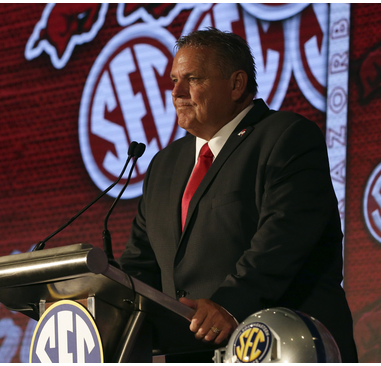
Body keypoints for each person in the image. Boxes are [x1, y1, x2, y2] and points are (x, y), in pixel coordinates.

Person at [119, 27, 358, 362]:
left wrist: (229, 304)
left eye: (193, 79)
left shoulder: (286, 137)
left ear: (236, 84)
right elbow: (141, 262)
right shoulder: (164, 164)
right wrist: (103, 298)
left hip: (283, 346)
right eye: (174, 79)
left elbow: (284, 237)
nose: (176, 91)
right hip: (189, 352)